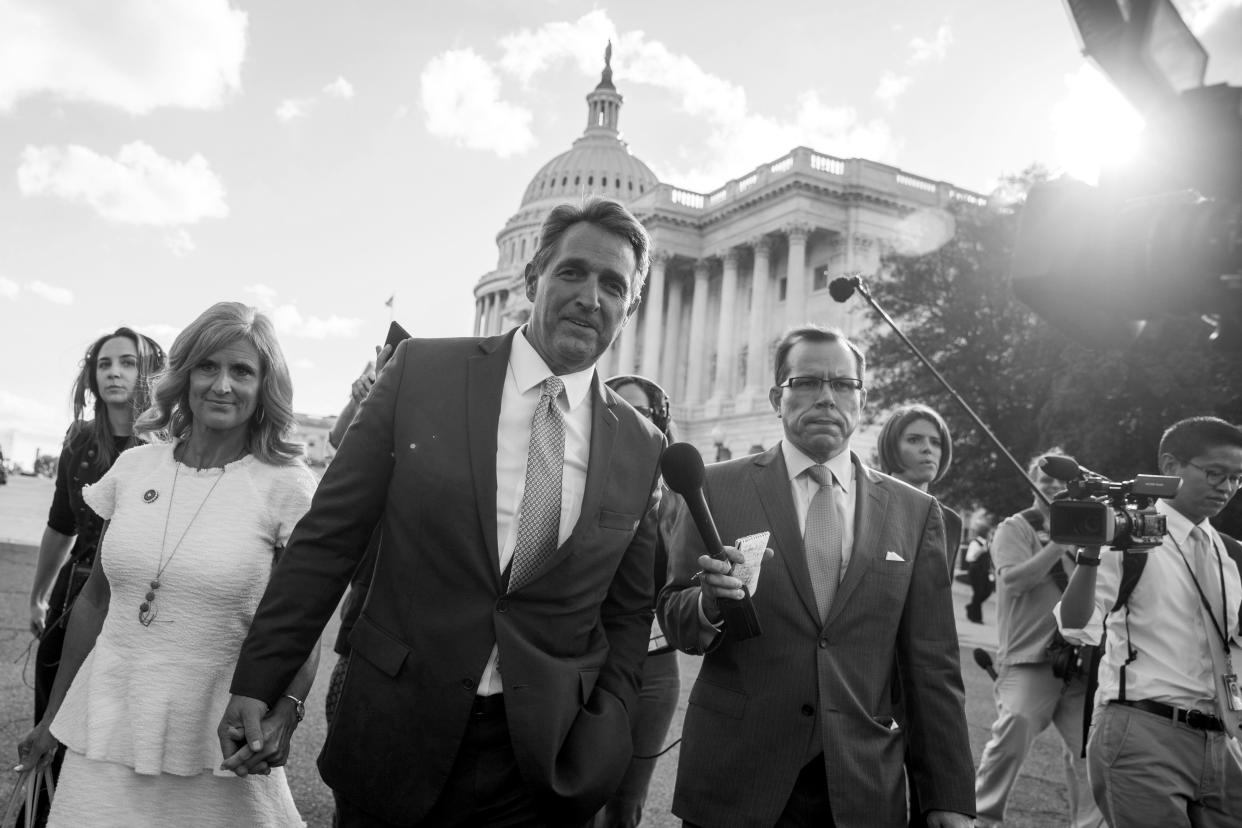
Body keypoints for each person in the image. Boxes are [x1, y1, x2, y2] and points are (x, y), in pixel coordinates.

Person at [219, 197, 665, 827]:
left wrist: (610, 721)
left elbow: (627, 608)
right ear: (533, 277)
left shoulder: (642, 444)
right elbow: (327, 539)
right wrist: (261, 679)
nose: (591, 297)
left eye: (613, 285)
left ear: (631, 307)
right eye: (572, 272)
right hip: (395, 729)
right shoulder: (423, 372)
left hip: (540, 760)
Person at [15, 302, 319, 827]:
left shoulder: (286, 485)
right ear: (184, 376)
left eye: (242, 371)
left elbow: (303, 622)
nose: (222, 385)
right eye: (208, 366)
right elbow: (95, 601)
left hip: (218, 734)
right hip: (107, 722)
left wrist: (287, 710)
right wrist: (52, 716)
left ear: (265, 385)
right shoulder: (135, 467)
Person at [658, 324, 974, 828]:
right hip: (738, 777)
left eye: (842, 385)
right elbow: (675, 616)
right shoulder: (713, 489)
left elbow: (931, 665)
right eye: (806, 382)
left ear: (862, 399)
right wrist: (708, 603)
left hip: (861, 784)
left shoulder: (916, 513)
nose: (826, 397)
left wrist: (949, 795)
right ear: (775, 397)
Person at [1056, 416, 1242, 827]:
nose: (1226, 488)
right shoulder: (1129, 539)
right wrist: (1089, 555)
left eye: (1237, 478)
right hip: (1142, 728)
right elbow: (1074, 626)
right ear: (1171, 465)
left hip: (1221, 739)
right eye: (1215, 473)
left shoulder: (1231, 555)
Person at [22, 326, 165, 824]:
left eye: (127, 362)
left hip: (138, 607)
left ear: (150, 373)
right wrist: (39, 595)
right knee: (51, 729)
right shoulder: (80, 439)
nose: (113, 373)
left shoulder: (174, 445)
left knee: (115, 745)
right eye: (105, 364)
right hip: (75, 598)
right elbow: (60, 525)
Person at [972, 450, 1104, 828]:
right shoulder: (1016, 527)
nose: (1053, 486)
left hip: (1082, 663)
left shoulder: (1091, 532)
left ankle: (1090, 824)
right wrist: (1060, 542)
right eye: (1043, 479)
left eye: (1062, 481)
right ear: (1032, 484)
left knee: (1089, 752)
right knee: (1013, 730)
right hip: (1032, 659)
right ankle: (981, 819)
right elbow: (1013, 582)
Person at [594, 374, 679, 828]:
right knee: (575, 794)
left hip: (656, 664)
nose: (632, 419)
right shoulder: (581, 482)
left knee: (627, 804)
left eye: (643, 412)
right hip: (590, 654)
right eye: (618, 407)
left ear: (660, 422)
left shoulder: (679, 498)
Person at [876, 404, 962, 571]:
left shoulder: (951, 522)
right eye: (914, 439)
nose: (927, 449)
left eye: (936, 442)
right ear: (891, 446)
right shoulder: (864, 504)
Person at [963, 513, 995, 624]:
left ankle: (971, 607)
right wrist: (980, 551)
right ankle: (976, 617)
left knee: (987, 591)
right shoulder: (975, 543)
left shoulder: (988, 544)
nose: (991, 535)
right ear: (985, 533)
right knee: (978, 592)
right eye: (990, 533)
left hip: (985, 571)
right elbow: (969, 558)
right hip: (976, 570)